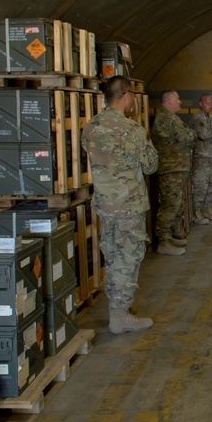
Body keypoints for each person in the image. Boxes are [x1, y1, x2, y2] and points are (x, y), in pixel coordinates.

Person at [81, 76, 159, 333]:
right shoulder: (133, 130)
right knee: (127, 258)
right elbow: (150, 165)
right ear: (126, 96)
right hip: (129, 206)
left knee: (112, 257)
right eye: (133, 96)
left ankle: (117, 307)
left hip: (105, 204)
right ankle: (120, 317)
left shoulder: (90, 127)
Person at [151, 90, 197, 256]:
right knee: (169, 205)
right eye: (177, 100)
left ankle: (168, 237)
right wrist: (191, 134)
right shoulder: (166, 119)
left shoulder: (171, 118)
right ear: (169, 102)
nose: (180, 103)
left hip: (176, 167)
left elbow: (188, 135)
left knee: (175, 204)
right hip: (171, 168)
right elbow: (188, 136)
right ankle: (163, 241)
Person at [190, 93, 212, 224]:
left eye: (211, 103)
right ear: (200, 103)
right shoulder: (196, 118)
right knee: (201, 185)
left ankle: (208, 210)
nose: (210, 106)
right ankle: (196, 213)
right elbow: (204, 134)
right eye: (207, 103)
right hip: (201, 157)